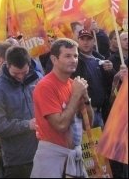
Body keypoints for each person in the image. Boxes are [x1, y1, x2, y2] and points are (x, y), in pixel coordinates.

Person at [31, 38, 93, 178]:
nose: (73, 60)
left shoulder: (73, 84)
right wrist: (76, 95)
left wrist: (86, 98)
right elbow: (60, 125)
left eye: (75, 56)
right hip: (52, 158)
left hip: (75, 156)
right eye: (67, 56)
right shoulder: (45, 86)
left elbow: (88, 123)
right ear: (54, 59)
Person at [0, 46, 42, 178]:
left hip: (44, 152)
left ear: (29, 64)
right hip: (18, 160)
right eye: (16, 74)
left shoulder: (37, 78)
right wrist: (27, 125)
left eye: (24, 72)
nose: (21, 77)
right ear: (7, 64)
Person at [73, 29, 115, 128]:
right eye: (82, 39)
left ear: (94, 41)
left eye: (89, 39)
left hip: (102, 112)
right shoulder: (75, 61)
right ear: (78, 41)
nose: (85, 42)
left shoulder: (100, 60)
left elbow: (111, 85)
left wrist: (111, 70)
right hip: (84, 113)